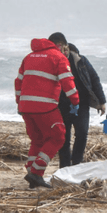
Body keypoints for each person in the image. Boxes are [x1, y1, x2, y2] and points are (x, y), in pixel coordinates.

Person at [15, 32, 80, 189]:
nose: (65, 51)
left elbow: (18, 82)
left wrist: (20, 102)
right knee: (58, 136)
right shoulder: (58, 57)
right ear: (60, 45)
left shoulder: (29, 57)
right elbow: (67, 82)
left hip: (26, 106)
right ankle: (37, 172)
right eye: (64, 48)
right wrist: (75, 101)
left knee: (37, 139)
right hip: (45, 106)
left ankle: (31, 172)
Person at [57, 43, 107, 167]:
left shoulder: (81, 61)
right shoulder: (55, 62)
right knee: (64, 137)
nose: (65, 51)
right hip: (62, 104)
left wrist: (102, 101)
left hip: (82, 103)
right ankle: (64, 165)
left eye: (66, 49)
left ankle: (76, 163)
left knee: (82, 133)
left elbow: (94, 78)